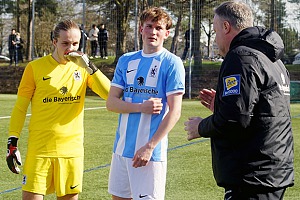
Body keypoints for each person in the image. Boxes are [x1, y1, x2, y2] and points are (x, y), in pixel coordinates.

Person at [184, 1, 294, 200]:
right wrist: (223, 104)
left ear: (226, 27)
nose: (215, 39)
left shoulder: (240, 56)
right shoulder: (273, 60)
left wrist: (200, 127)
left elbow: (234, 119)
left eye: (215, 31)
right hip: (272, 172)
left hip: (252, 177)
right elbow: (263, 110)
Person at [6, 19, 111, 200]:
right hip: (40, 151)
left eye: (75, 43)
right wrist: (12, 141)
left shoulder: (83, 68)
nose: (70, 48)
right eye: (65, 43)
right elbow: (20, 108)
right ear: (54, 42)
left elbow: (110, 95)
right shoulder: (34, 68)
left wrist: (89, 66)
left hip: (71, 151)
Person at [106, 7, 185, 200]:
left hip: (150, 154)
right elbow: (111, 103)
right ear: (141, 29)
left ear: (166, 33)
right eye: (149, 26)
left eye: (159, 27)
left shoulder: (172, 63)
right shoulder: (126, 60)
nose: (153, 32)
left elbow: (175, 112)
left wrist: (150, 147)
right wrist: (141, 107)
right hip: (122, 150)